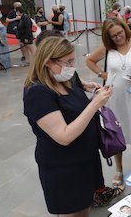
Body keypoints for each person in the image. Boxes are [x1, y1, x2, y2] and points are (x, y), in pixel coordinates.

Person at [24, 36, 115, 216]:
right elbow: (64, 136)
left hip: (85, 160)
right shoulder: (38, 94)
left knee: (85, 207)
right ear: (48, 62)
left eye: (73, 60)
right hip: (64, 167)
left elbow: (75, 85)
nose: (72, 67)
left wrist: (87, 86)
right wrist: (94, 104)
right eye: (68, 62)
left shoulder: (66, 78)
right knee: (72, 212)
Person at [86, 18, 131, 187]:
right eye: (113, 36)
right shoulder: (107, 49)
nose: (118, 38)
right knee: (116, 132)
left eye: (119, 33)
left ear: (125, 29)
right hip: (115, 98)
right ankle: (119, 169)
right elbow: (89, 61)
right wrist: (102, 74)